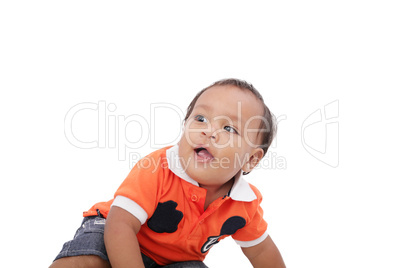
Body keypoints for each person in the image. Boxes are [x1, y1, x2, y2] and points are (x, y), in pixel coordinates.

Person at [50, 78, 286, 268]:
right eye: (201, 118)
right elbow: (120, 224)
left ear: (251, 160)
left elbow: (262, 251)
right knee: (89, 256)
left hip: (174, 261)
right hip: (114, 229)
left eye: (228, 128)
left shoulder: (244, 204)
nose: (209, 131)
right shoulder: (157, 168)